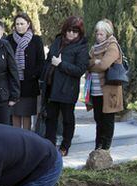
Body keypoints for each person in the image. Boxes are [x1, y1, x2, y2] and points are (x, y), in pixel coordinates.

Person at [41, 16, 89, 156]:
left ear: (80, 33)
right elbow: (49, 59)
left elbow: (80, 70)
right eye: (69, 30)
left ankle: (65, 146)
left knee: (68, 119)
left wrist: (61, 64)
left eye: (75, 31)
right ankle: (49, 145)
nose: (72, 34)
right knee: (51, 118)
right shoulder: (57, 41)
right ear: (65, 30)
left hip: (68, 88)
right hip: (51, 86)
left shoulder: (81, 47)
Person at [87, 19, 123, 150]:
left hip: (109, 91)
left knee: (107, 120)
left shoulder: (112, 46)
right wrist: (93, 62)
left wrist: (95, 63)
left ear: (107, 34)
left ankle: (105, 149)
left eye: (101, 34)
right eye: (97, 33)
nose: (98, 36)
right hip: (96, 90)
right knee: (98, 120)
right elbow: (87, 63)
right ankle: (98, 147)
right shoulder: (94, 48)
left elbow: (103, 65)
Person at [7, 12, 45, 130]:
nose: (19, 26)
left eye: (22, 23)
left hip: (29, 84)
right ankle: (16, 140)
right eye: (17, 24)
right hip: (13, 83)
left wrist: (33, 74)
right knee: (15, 114)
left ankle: (27, 140)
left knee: (27, 115)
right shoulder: (9, 39)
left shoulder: (36, 40)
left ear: (28, 24)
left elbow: (41, 62)